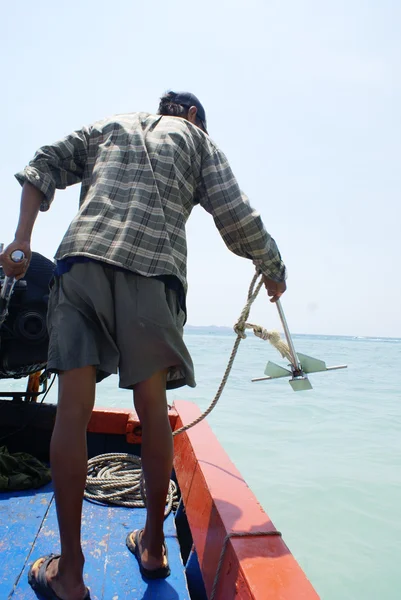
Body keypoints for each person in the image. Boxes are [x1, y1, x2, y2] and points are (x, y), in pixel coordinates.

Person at [0, 91, 287, 600]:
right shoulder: (197, 140)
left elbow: (40, 165)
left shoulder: (109, 123)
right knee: (153, 412)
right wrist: (273, 266)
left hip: (81, 263)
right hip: (153, 276)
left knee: (72, 413)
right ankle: (153, 547)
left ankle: (70, 574)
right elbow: (237, 217)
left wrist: (21, 238)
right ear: (194, 115)